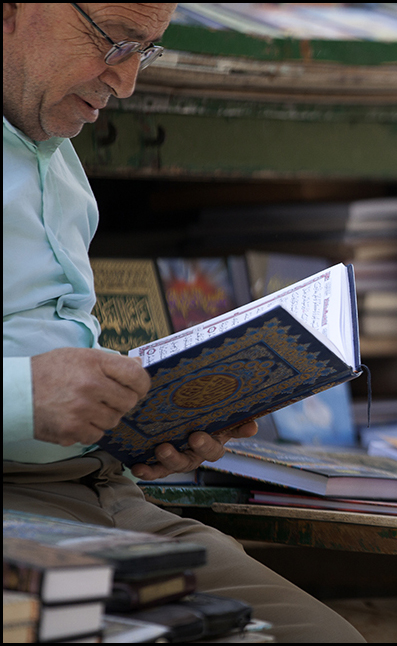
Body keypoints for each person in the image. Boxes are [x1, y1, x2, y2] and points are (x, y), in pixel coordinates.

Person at [3, 4, 364, 641]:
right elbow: (33, 385)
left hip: (107, 490)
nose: (125, 83)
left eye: (145, 51)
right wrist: (24, 397)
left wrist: (149, 422)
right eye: (114, 41)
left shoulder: (54, 151)